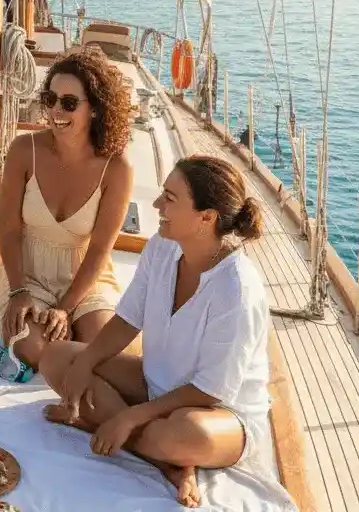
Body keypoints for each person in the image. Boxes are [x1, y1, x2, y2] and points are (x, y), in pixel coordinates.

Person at [40, 155, 270, 508]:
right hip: (155, 384)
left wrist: (129, 417)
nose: (156, 204)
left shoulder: (236, 289)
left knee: (184, 435)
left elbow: (211, 391)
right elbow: (127, 320)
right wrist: (85, 362)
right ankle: (159, 456)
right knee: (57, 358)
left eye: (170, 198)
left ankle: (123, 434)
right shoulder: (162, 247)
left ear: (206, 218)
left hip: (219, 412)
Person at [0, 45, 134, 371]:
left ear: (95, 109)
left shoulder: (117, 167)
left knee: (105, 352)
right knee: (36, 350)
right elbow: (10, 230)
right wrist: (18, 291)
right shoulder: (23, 150)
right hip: (27, 275)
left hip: (85, 276)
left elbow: (99, 249)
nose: (56, 110)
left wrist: (65, 308)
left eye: (69, 103)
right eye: (50, 99)